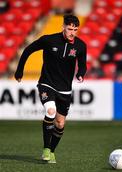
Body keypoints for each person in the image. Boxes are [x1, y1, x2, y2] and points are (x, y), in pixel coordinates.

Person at [14, 14, 87, 163]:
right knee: (50, 111)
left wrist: (80, 73)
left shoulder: (80, 45)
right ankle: (46, 149)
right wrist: (20, 70)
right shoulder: (49, 40)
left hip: (65, 89)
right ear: (63, 27)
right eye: (69, 29)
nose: (72, 32)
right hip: (47, 83)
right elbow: (28, 49)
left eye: (75, 29)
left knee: (60, 124)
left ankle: (52, 151)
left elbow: (83, 64)